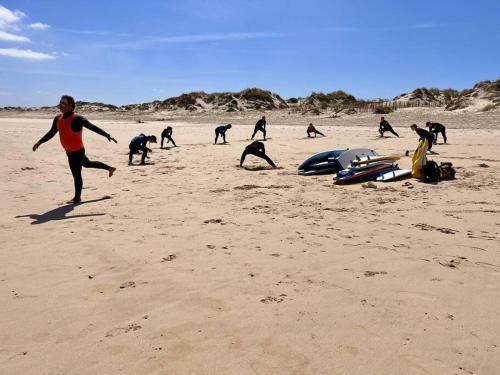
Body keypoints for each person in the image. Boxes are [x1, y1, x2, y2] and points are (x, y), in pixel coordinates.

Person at [32, 95, 117, 204]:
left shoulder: (77, 119)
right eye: (60, 103)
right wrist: (40, 142)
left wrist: (107, 135)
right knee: (87, 163)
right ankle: (109, 168)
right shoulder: (58, 118)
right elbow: (52, 132)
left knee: (76, 174)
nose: (60, 105)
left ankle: (77, 197)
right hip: (69, 151)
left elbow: (92, 127)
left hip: (77, 151)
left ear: (70, 106)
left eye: (63, 103)